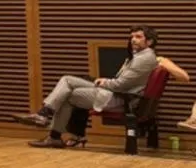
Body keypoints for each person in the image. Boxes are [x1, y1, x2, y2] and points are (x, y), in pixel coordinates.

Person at [12, 25, 159, 148]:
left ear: (150, 41)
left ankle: (46, 121)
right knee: (67, 86)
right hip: (117, 94)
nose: (133, 39)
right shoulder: (140, 56)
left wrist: (104, 81)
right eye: (132, 36)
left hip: (121, 99)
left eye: (138, 37)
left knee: (67, 87)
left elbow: (120, 85)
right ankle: (49, 126)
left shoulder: (144, 59)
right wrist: (105, 81)